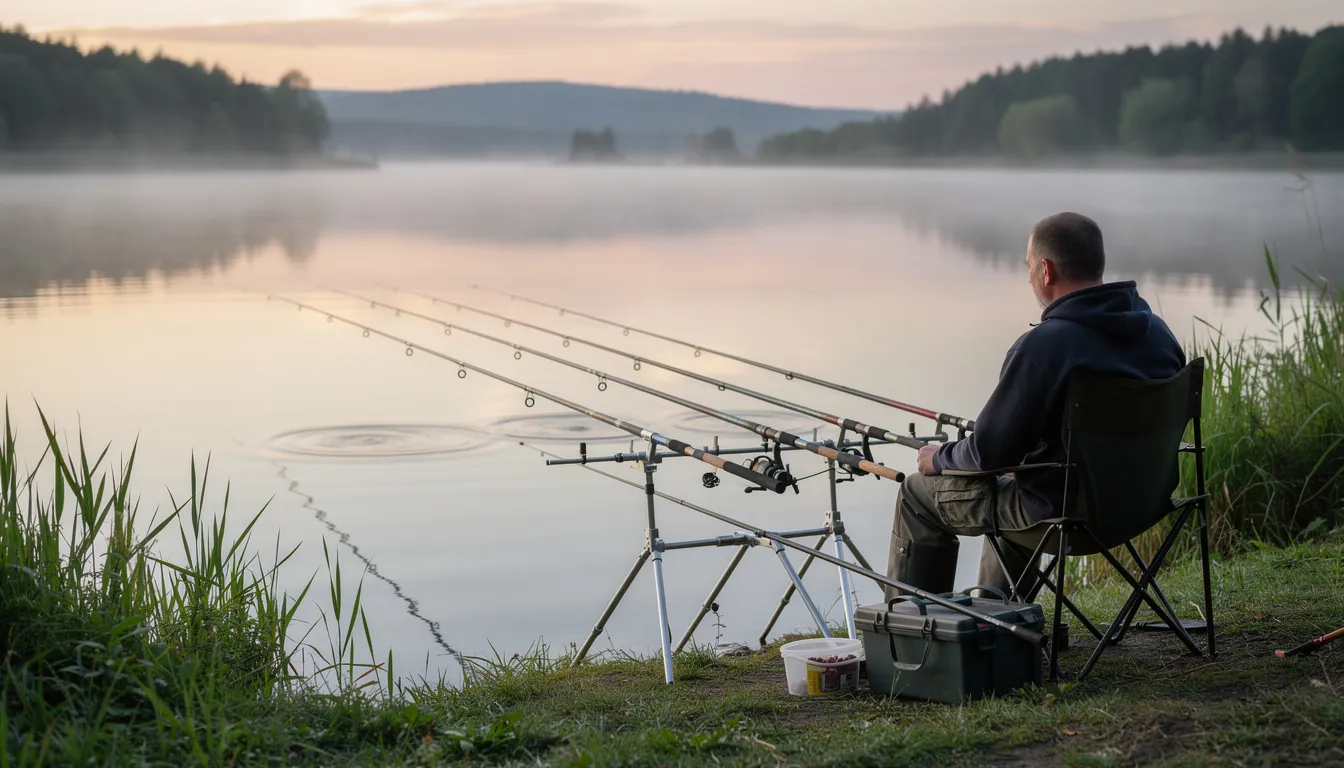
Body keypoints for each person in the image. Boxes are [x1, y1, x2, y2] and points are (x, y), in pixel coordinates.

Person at [885, 212, 1186, 600]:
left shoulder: (1045, 346)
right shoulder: (1157, 332)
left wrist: (939, 457)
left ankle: (908, 638)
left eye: (1028, 265)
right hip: (1142, 504)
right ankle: (999, 621)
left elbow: (988, 452)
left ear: (1046, 270)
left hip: (1067, 516)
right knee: (1016, 481)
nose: (1028, 275)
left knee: (916, 493)